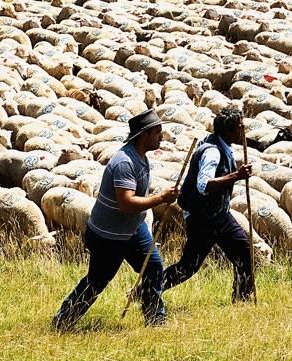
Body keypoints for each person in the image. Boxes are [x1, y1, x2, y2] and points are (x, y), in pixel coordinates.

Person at [51, 109, 179, 331]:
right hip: (108, 236)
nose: (161, 136)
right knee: (97, 281)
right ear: (143, 135)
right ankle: (63, 321)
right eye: (157, 132)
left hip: (133, 230)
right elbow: (126, 203)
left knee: (154, 267)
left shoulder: (141, 158)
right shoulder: (124, 163)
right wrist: (160, 198)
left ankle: (155, 319)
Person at [162, 106, 254, 302]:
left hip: (219, 215)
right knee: (188, 267)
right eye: (239, 127)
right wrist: (237, 175)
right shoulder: (213, 152)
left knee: (244, 252)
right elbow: (204, 185)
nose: (242, 131)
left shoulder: (221, 145)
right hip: (202, 218)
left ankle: (242, 299)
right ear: (228, 130)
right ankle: (147, 289)